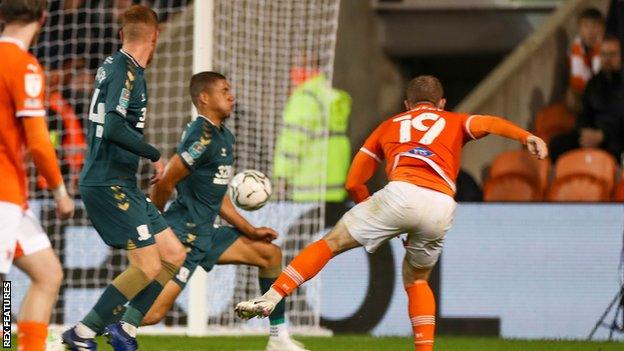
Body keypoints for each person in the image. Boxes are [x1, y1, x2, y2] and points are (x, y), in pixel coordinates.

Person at [235, 75, 548, 351]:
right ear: (441, 102)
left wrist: (371, 209)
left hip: (400, 193)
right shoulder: (453, 120)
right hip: (441, 204)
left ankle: (272, 296)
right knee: (417, 279)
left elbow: (353, 180)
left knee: (331, 243)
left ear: (406, 104)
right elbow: (490, 122)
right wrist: (527, 137)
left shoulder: (389, 125)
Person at [143, 71, 309, 351]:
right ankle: (81, 331)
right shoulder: (201, 136)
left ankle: (277, 338)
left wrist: (251, 230)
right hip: (183, 235)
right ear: (204, 98)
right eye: (224, 90)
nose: (231, 96)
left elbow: (218, 198)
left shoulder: (224, 138)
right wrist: (155, 224)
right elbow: (166, 181)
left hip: (207, 233)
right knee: (151, 314)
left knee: (270, 254)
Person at [62, 5, 186, 351]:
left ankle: (125, 329)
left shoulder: (114, 67)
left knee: (173, 254)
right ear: (156, 36)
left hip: (123, 181)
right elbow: (114, 126)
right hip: (107, 182)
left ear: (121, 34)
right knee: (147, 265)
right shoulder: (125, 71)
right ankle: (83, 333)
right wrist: (154, 154)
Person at [0, 1, 76, 350]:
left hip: (13, 198)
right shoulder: (24, 65)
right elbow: (39, 141)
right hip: (4, 193)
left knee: (48, 274)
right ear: (43, 18)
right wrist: (60, 191)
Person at [549, 34, 624, 163]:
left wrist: (603, 135)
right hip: (593, 134)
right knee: (557, 144)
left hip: (616, 136)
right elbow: (585, 113)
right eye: (604, 54)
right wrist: (585, 132)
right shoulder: (593, 83)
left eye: (612, 54)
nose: (608, 59)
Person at [569, 7, 605, 95]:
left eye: (595, 26)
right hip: (584, 92)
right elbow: (576, 80)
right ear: (579, 29)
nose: (590, 31)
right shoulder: (576, 47)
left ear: (602, 28)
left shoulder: (609, 47)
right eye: (586, 26)